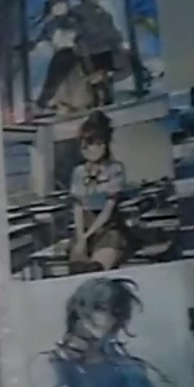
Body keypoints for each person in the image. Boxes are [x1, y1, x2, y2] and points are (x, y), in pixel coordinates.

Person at [30, 277, 185, 387]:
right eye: (100, 308)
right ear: (78, 309)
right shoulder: (49, 365)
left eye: (115, 313)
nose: (107, 318)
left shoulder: (128, 366)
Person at [69, 111, 132, 273]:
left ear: (103, 144)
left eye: (90, 142)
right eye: (83, 142)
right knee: (77, 269)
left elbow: (108, 209)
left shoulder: (115, 169)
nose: (85, 147)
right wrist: (80, 237)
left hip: (107, 227)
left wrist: (87, 236)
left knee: (96, 268)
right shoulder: (79, 172)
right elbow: (78, 206)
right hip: (84, 226)